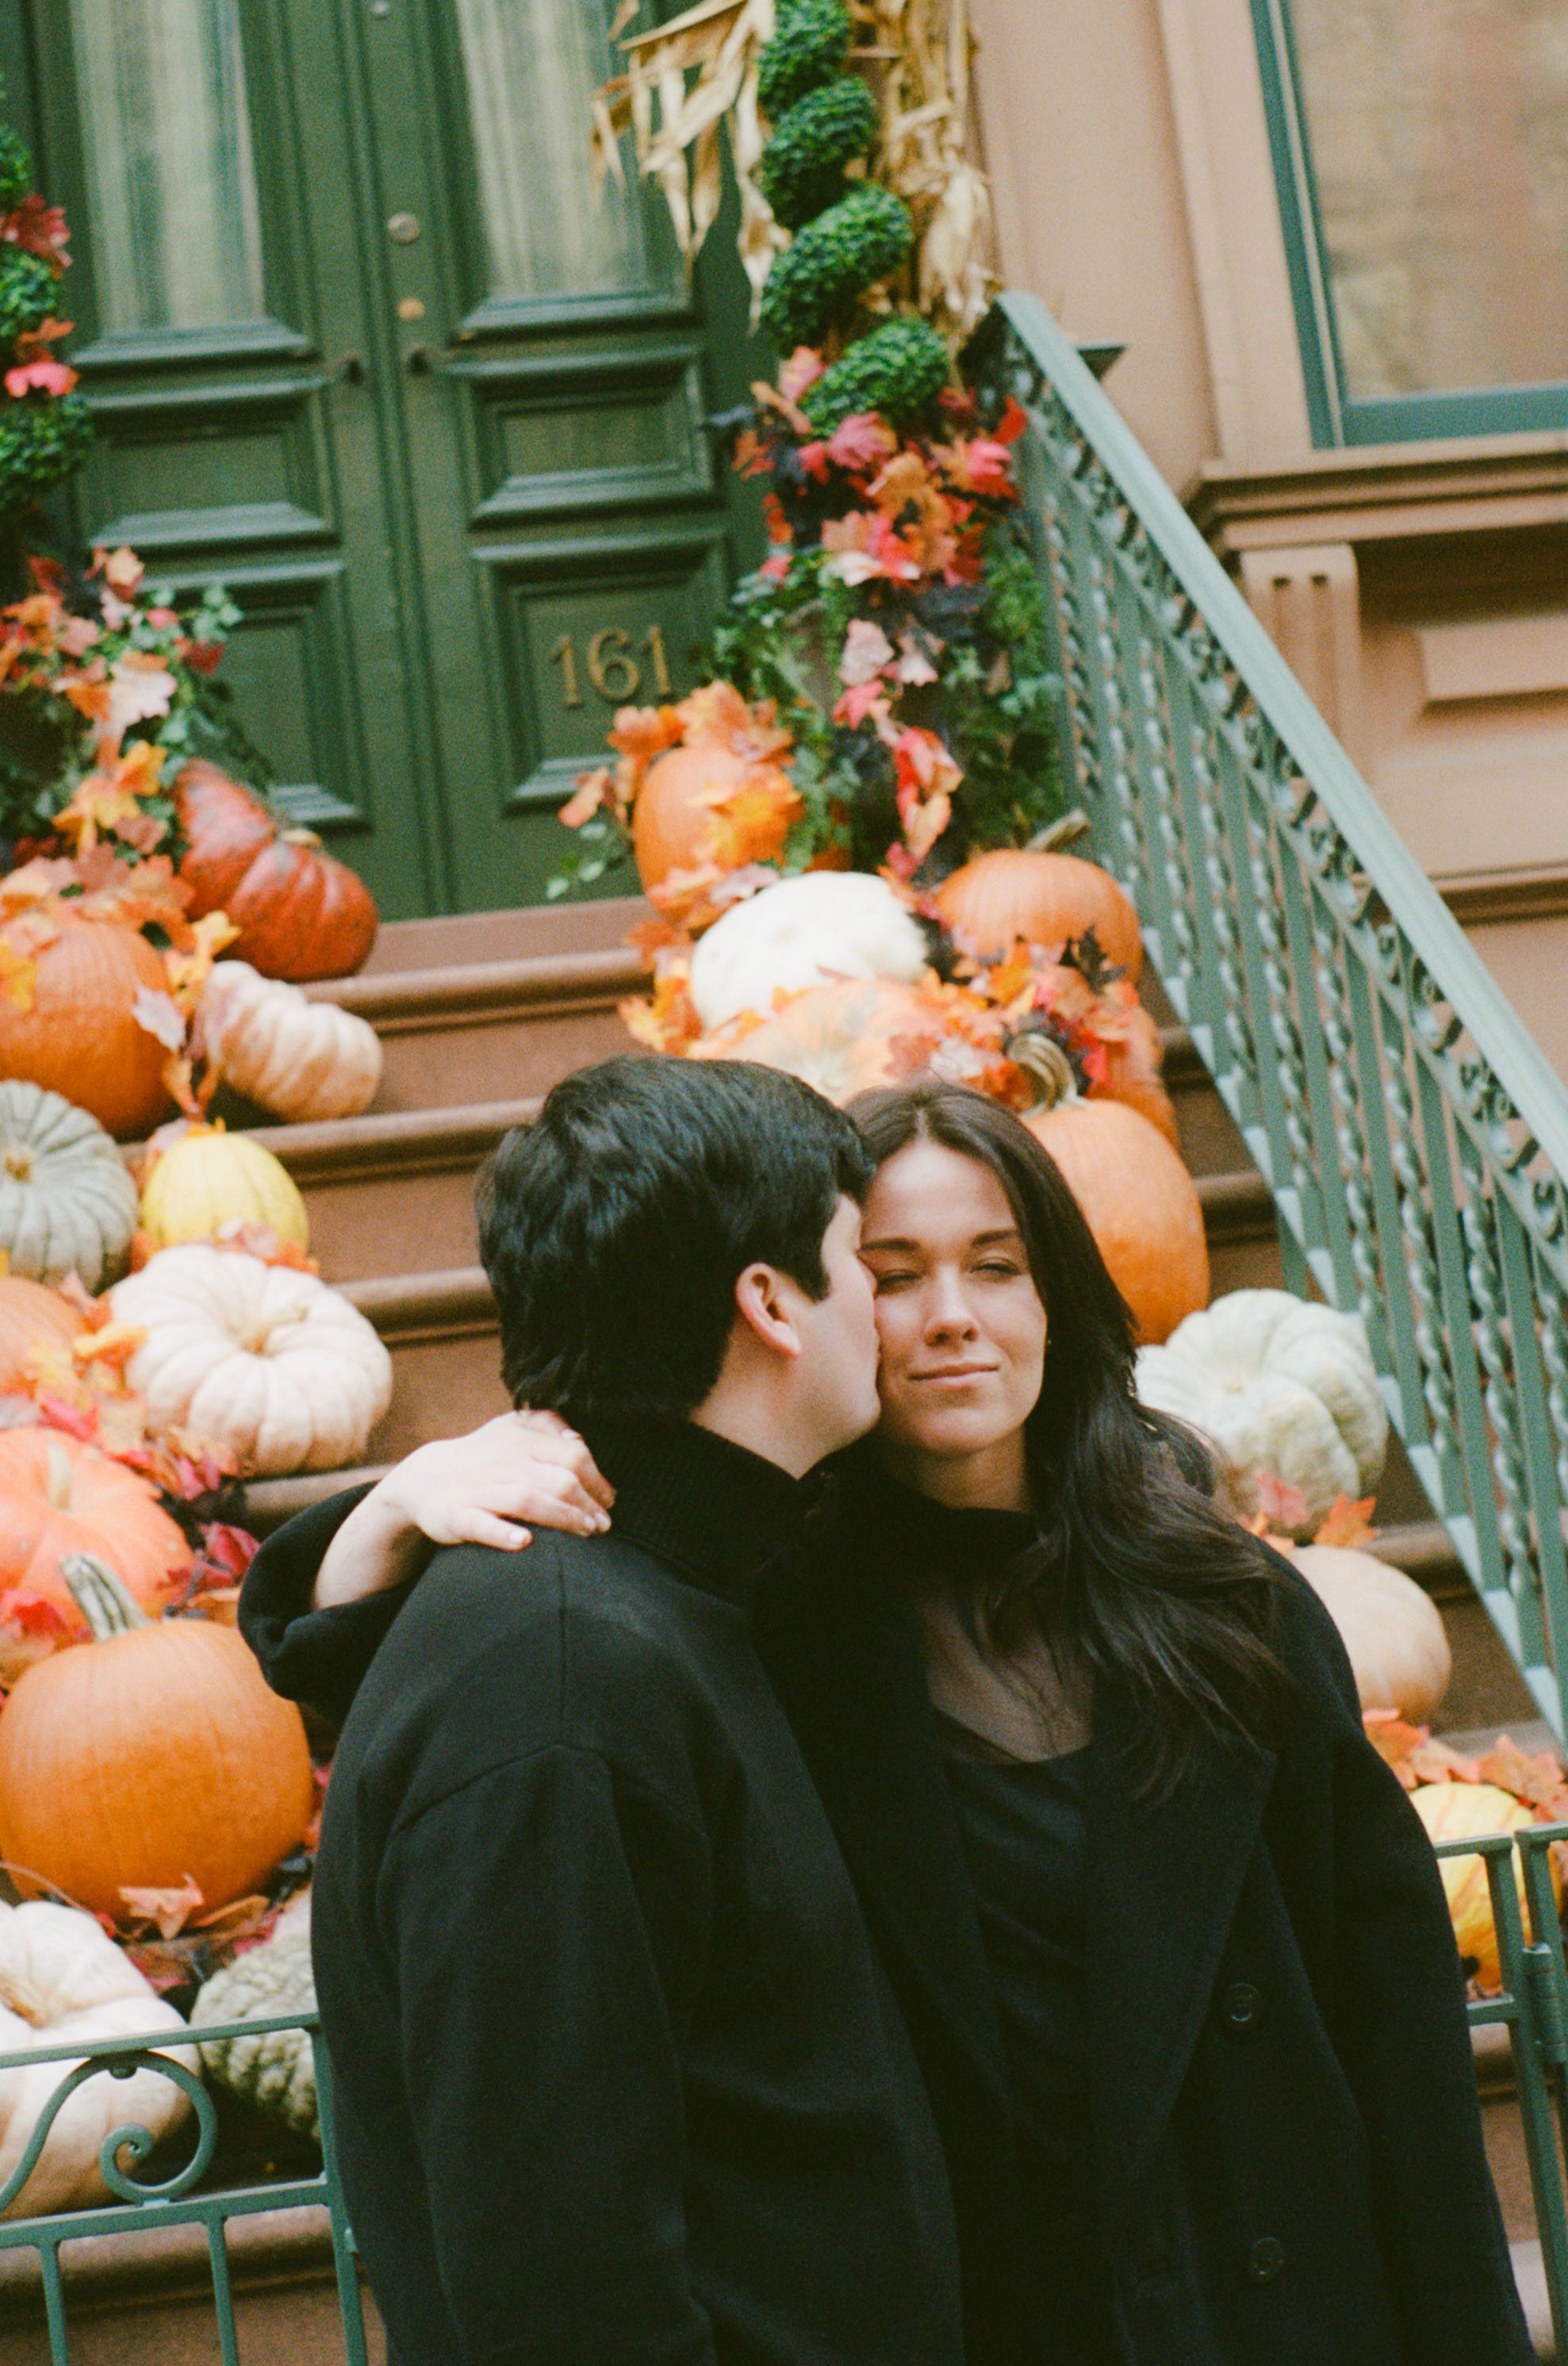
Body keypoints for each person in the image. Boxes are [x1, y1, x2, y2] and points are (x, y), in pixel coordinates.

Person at [243, 1076, 1535, 2366]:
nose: (948, 1319)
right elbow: (521, 1793)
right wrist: (384, 1516)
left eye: (998, 1265)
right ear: (782, 1302)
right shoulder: (750, 1620)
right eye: (888, 1270)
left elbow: (1403, 2064)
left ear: (1057, 1293)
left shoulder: (1226, 1603)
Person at [261, 1054, 966, 2366]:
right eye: (861, 1259)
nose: (895, 1307)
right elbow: (562, 2295)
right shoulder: (565, 1690)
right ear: (770, 1302)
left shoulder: (657, 1604)